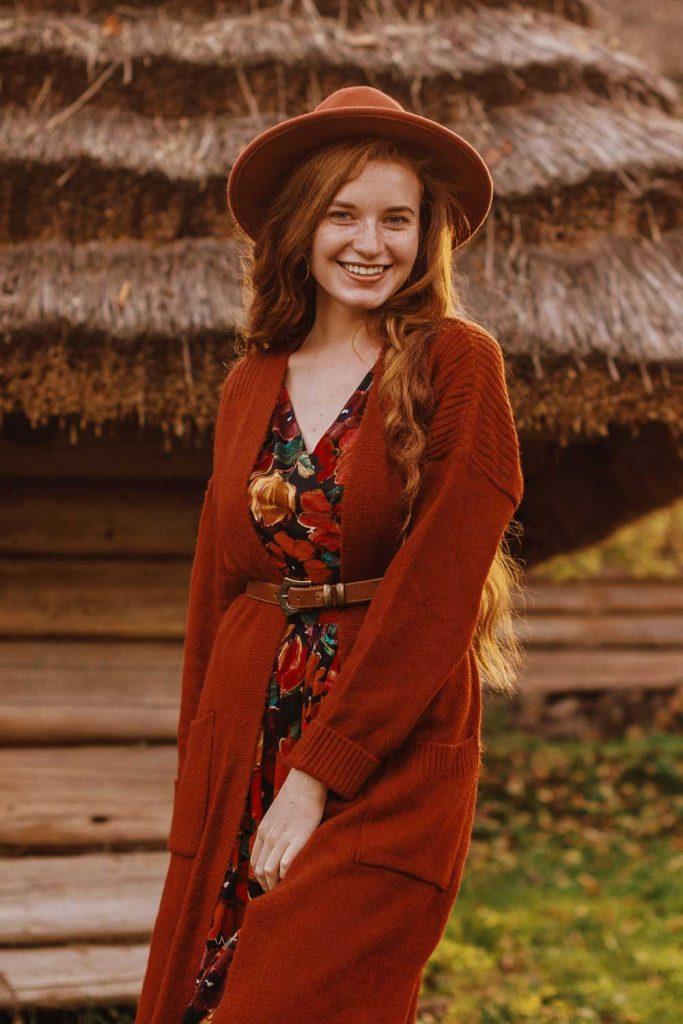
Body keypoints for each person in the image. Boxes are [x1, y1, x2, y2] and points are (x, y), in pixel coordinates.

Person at [135, 85, 525, 1024]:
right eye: (341, 215)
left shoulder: (454, 362)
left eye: (397, 219)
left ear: (425, 236)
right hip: (242, 738)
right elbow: (215, 592)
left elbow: (439, 580)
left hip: (382, 748)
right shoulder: (248, 385)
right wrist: (200, 786)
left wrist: (317, 775)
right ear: (300, 230)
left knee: (302, 1000)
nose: (368, 242)